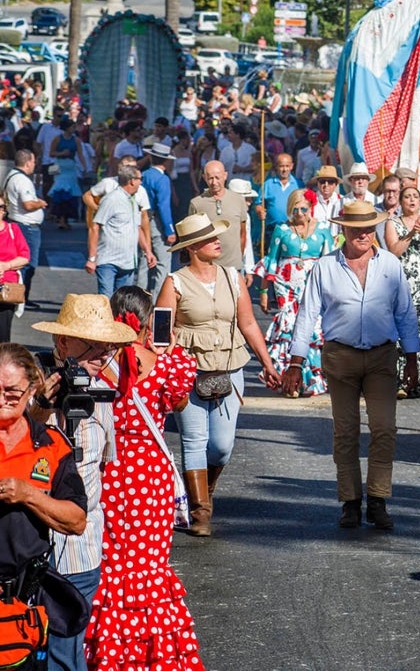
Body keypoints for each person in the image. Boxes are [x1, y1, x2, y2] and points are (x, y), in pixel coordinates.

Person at [83, 287, 204, 669]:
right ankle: (154, 653)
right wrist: (165, 349)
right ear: (149, 320)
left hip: (111, 467)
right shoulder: (166, 362)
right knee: (149, 564)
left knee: (112, 560)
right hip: (150, 476)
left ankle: (109, 651)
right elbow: (179, 403)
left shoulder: (100, 363)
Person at [286, 201, 420, 531]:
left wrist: (413, 357)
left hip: (382, 356)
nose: (362, 234)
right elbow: (307, 314)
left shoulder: (390, 264)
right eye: (355, 228)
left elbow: (405, 313)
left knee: (384, 428)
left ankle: (378, 498)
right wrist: (295, 362)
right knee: (345, 430)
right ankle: (350, 501)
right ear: (342, 230)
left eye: (367, 227)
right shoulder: (326, 267)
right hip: (340, 356)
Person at [155, 213, 280, 537]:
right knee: (194, 440)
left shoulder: (232, 277)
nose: (217, 241)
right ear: (193, 247)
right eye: (209, 237)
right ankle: (200, 512)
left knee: (222, 446)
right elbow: (160, 332)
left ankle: (204, 492)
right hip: (189, 372)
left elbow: (249, 323)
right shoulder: (175, 282)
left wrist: (266, 363)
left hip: (230, 366)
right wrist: (164, 366)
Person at [31, 296, 138, 671]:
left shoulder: (102, 394)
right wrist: (42, 408)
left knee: (67, 652)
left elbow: (104, 465)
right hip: (28, 544)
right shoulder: (27, 386)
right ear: (63, 343)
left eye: (106, 344)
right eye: (90, 343)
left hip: (81, 546)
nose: (102, 352)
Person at [0, 343, 88, 671]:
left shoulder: (51, 446)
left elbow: (77, 520)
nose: (1, 401)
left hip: (21, 610)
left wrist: (29, 495)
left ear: (32, 388)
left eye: (11, 392)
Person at [258, 189, 335, 398]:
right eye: (295, 209)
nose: (299, 213)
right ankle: (287, 381)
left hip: (313, 284)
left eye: (303, 208)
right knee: (290, 327)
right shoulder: (281, 229)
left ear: (311, 208)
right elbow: (271, 261)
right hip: (286, 286)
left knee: (312, 327)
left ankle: (311, 381)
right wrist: (264, 291)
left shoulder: (323, 230)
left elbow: (329, 263)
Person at [383, 188, 420, 399]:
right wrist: (411, 233)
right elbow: (394, 251)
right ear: (400, 201)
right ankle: (400, 379)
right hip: (402, 280)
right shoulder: (392, 223)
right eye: (407, 197)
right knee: (402, 324)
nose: (412, 200)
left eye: (415, 197)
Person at [87, 165, 156, 298]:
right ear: (131, 181)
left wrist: (148, 251)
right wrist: (92, 258)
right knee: (106, 301)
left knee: (122, 302)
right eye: (140, 179)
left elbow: (137, 228)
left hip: (128, 262)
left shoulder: (133, 201)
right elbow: (95, 226)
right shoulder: (111, 199)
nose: (141, 182)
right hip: (108, 261)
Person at [188, 161, 249, 281]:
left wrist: (238, 258)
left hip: (233, 266)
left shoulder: (238, 200)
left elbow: (242, 233)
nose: (214, 182)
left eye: (217, 177)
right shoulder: (196, 203)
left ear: (225, 175)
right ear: (204, 178)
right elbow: (191, 239)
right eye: (210, 178)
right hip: (207, 266)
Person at [5, 149, 46, 308]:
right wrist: (40, 203)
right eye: (34, 161)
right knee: (27, 263)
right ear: (28, 162)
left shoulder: (12, 176)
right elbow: (28, 204)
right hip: (27, 226)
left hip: (20, 223)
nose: (35, 164)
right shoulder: (22, 180)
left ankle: (18, 295)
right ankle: (18, 296)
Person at [140, 143, 177, 299]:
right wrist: (170, 230)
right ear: (166, 161)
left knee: (144, 260)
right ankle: (157, 300)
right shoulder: (162, 179)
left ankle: (139, 297)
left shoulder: (144, 175)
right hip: (156, 220)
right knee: (163, 262)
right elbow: (164, 206)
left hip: (143, 218)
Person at [257, 153, 300, 246]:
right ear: (276, 166)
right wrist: (260, 210)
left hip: (293, 229)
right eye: (281, 166)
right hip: (272, 229)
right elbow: (258, 203)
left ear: (292, 166)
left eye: (287, 166)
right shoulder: (268, 184)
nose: (284, 169)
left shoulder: (298, 184)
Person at [0, 200, 28, 341]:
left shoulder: (13, 230)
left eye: (1, 206)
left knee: (3, 335)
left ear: (5, 210)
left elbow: (25, 257)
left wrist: (6, 265)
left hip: (6, 289)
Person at [47, 117, 82, 230]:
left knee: (70, 193)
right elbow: (51, 153)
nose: (74, 129)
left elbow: (80, 154)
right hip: (60, 167)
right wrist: (61, 153)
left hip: (70, 167)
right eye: (72, 127)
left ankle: (66, 218)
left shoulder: (76, 140)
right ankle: (60, 217)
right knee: (60, 191)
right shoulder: (58, 139)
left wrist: (85, 167)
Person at [309, 165, 344, 230]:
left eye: (330, 182)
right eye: (322, 181)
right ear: (318, 183)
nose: (326, 185)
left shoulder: (343, 201)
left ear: (336, 184)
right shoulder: (309, 201)